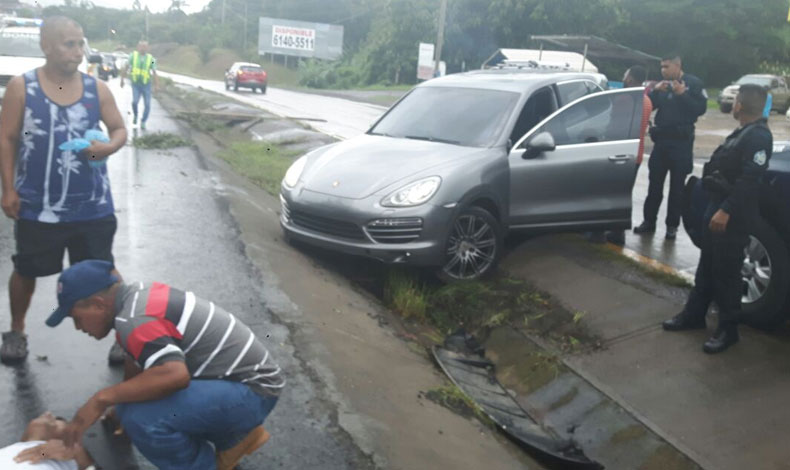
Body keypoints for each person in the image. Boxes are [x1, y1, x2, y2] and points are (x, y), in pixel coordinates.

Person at [46, 260, 284, 470]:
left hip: (252, 391)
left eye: (76, 318)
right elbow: (139, 361)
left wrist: (101, 399)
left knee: (142, 418)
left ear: (99, 305)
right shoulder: (135, 297)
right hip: (242, 383)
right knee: (130, 406)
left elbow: (174, 376)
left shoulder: (134, 320)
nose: (78, 328)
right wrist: (118, 404)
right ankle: (235, 438)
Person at [0, 17, 127, 365]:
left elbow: (118, 129)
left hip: (93, 206)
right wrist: (7, 189)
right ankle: (16, 330)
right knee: (26, 268)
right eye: (68, 44)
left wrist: (109, 148)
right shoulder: (21, 87)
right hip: (38, 206)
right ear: (46, 47)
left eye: (80, 43)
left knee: (105, 273)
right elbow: (7, 139)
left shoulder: (96, 89)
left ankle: (126, 336)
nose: (77, 52)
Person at [663, 85, 772, 354]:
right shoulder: (743, 132)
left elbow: (750, 181)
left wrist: (726, 210)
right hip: (718, 204)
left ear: (740, 106)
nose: (732, 104)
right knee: (708, 265)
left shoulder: (758, 137)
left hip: (732, 213)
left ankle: (728, 329)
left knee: (727, 273)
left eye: (735, 100)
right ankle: (694, 315)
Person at [633, 54, 707, 240]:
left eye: (666, 67)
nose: (663, 70)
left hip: (681, 143)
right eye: (662, 67)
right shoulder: (662, 85)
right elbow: (648, 105)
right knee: (654, 185)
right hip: (662, 142)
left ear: (677, 65)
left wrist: (683, 95)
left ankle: (671, 227)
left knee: (677, 189)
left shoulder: (693, 83)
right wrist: (653, 91)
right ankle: (649, 221)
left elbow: (700, 109)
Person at [0, 412, 95, 469]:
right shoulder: (7, 451)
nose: (48, 413)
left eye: (56, 421)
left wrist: (79, 457)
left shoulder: (67, 456)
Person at [120, 40, 158, 130]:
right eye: (141, 46)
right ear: (138, 47)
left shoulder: (151, 59)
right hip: (135, 84)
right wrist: (122, 79)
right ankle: (136, 116)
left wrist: (156, 85)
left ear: (148, 48)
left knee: (147, 104)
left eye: (145, 47)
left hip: (146, 85)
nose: (143, 48)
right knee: (135, 102)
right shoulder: (132, 56)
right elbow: (126, 67)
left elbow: (154, 71)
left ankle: (143, 121)